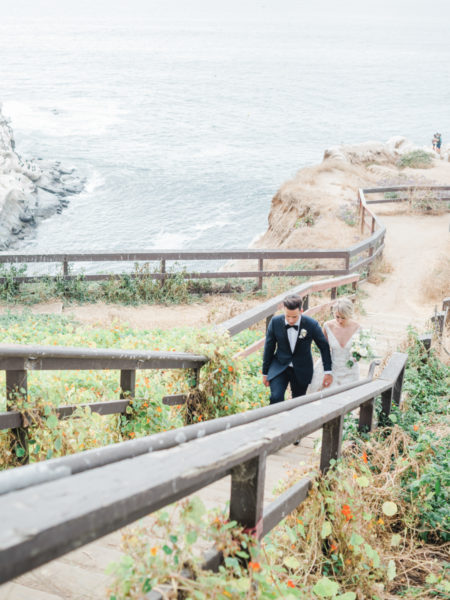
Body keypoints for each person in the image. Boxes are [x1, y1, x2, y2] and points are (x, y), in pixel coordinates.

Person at [262, 295, 333, 404]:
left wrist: (328, 371)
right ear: (283, 310)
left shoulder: (311, 324)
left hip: (302, 368)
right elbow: (269, 348)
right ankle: (276, 421)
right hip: (280, 366)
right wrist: (265, 373)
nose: (290, 320)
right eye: (287, 316)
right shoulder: (275, 322)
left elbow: (324, 346)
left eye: (294, 317)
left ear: (301, 311)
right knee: (275, 397)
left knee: (298, 402)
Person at [309, 297, 361, 391]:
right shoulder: (328, 326)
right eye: (337, 317)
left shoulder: (357, 328)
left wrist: (358, 356)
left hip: (350, 369)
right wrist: (327, 371)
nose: (340, 321)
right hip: (332, 366)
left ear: (349, 315)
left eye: (343, 318)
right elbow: (324, 349)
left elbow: (360, 351)